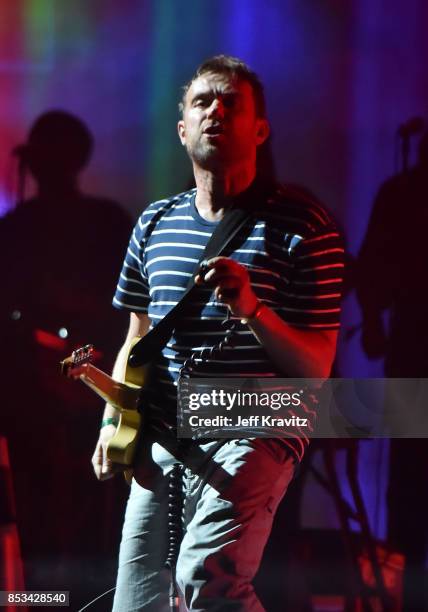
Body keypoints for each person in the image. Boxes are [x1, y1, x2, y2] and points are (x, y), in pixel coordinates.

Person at [92, 55, 344, 611]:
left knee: (207, 577)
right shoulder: (154, 224)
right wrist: (115, 424)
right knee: (136, 601)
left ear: (260, 129)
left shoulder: (305, 228)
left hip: (256, 418)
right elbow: (138, 339)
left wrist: (254, 309)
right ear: (182, 129)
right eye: (203, 101)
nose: (217, 110)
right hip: (164, 426)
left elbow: (316, 369)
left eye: (232, 102)